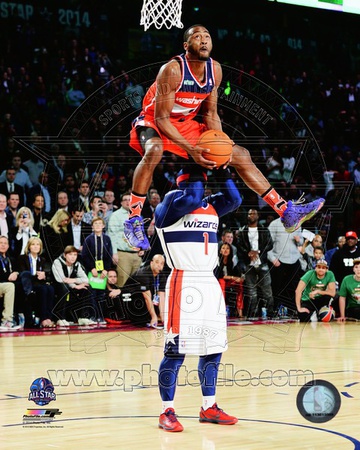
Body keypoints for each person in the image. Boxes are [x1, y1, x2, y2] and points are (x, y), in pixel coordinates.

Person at [124, 24, 324, 251]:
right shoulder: (172, 70)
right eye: (197, 37)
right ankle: (133, 219)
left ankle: (284, 210)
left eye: (207, 36)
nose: (203, 40)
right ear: (186, 45)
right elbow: (161, 119)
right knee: (155, 150)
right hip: (154, 120)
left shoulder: (215, 70)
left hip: (186, 124)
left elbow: (210, 113)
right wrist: (191, 150)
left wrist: (222, 143)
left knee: (240, 154)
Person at [154, 166, 241, 432]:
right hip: (184, 281)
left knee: (214, 348)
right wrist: (196, 163)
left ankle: (209, 406)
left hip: (209, 281)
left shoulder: (209, 205)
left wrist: (223, 170)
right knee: (176, 351)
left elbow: (235, 199)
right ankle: (166, 411)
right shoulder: (169, 205)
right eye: (199, 181)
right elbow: (191, 197)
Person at [237, 208, 274, 318]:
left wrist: (258, 252)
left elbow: (270, 244)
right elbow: (240, 246)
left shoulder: (264, 230)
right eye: (249, 214)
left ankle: (271, 314)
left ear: (258, 216)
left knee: (267, 291)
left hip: (262, 263)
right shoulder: (242, 231)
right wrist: (248, 252)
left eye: (253, 214)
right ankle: (252, 314)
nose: (251, 216)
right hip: (249, 264)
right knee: (251, 292)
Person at [51, 245, 97, 327]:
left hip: (71, 286)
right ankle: (60, 318)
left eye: (75, 255)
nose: (73, 257)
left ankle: (83, 317)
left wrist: (74, 280)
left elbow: (86, 279)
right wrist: (74, 286)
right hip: (57, 286)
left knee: (87, 287)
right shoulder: (57, 262)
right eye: (70, 255)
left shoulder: (77, 264)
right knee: (64, 287)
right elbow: (61, 279)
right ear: (65, 255)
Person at [267, 216, 304, 315]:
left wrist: (298, 240)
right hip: (279, 260)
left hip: (294, 259)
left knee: (294, 287)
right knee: (277, 287)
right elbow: (267, 243)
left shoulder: (297, 223)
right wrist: (272, 258)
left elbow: (301, 242)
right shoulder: (274, 224)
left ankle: (292, 310)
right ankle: (275, 310)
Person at [17, 236, 56, 328]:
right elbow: (24, 274)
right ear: (29, 247)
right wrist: (36, 276)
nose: (35, 246)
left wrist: (44, 275)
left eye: (38, 245)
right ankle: (42, 318)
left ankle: (48, 318)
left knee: (50, 289)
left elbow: (46, 274)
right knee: (43, 289)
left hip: (39, 282)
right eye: (33, 244)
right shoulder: (22, 258)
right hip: (28, 284)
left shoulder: (42, 259)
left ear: (40, 247)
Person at [107, 193, 144, 287]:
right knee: (122, 282)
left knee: (137, 283)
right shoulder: (115, 215)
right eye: (125, 200)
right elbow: (112, 235)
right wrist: (114, 252)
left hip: (137, 255)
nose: (128, 202)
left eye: (130, 200)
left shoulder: (138, 216)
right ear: (121, 202)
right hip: (123, 254)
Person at [214, 242, 244, 318]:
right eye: (223, 248)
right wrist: (232, 277)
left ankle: (239, 311)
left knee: (239, 284)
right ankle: (222, 310)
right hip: (218, 281)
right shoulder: (217, 259)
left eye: (227, 248)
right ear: (220, 250)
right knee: (222, 283)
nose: (225, 250)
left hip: (229, 280)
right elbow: (220, 275)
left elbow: (237, 273)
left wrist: (238, 278)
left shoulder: (233, 259)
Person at [0, 235, 20, 330]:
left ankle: (20, 317)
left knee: (18, 285)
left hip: (4, 285)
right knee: (10, 286)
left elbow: (17, 270)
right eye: (1, 243)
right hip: (3, 284)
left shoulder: (10, 259)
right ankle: (6, 320)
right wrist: (8, 276)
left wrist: (16, 273)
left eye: (5, 243)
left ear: (8, 246)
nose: (3, 245)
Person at [338, 257, 360, 321]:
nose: (359, 269)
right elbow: (342, 297)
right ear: (353, 269)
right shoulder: (347, 279)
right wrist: (342, 316)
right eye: (356, 267)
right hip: (353, 308)